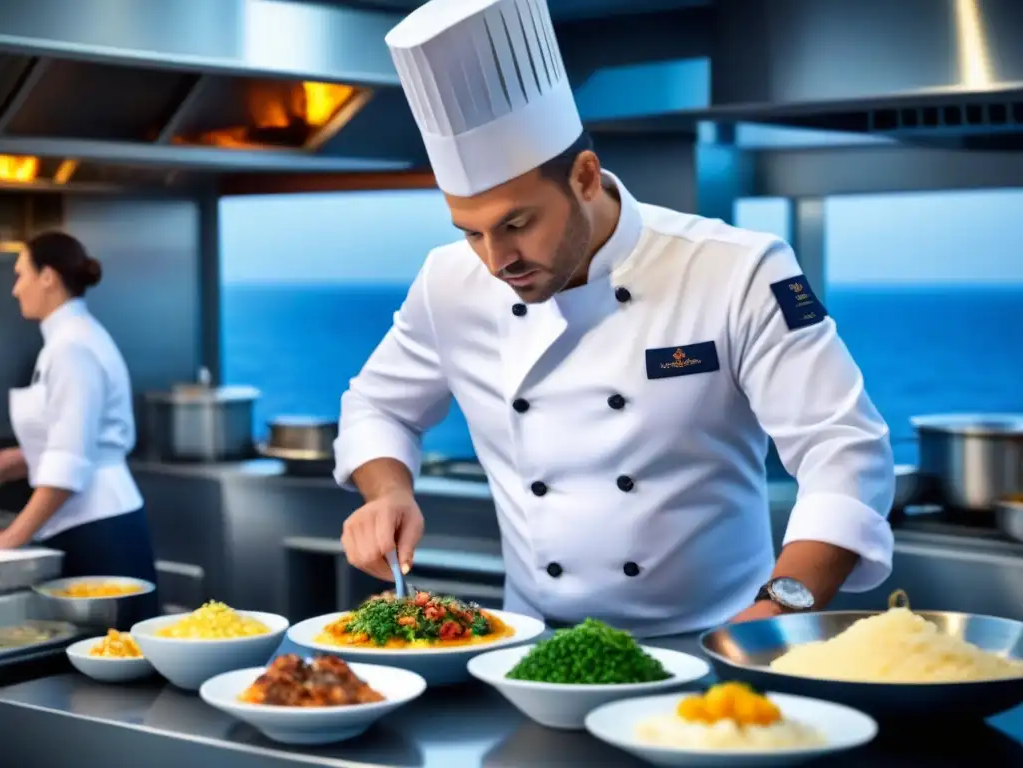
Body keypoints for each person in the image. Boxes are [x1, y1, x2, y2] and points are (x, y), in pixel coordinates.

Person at [334, 0, 895, 637]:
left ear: (583, 176)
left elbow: (843, 448)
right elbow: (378, 407)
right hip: (532, 651)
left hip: (720, 640)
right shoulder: (448, 282)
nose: (497, 260)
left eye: (517, 224)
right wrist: (388, 493)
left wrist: (781, 608)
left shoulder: (738, 270)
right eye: (472, 233)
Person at [0, 231, 158, 623]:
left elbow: (69, 464)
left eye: (22, 275)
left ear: (48, 277)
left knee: (114, 660)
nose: (16, 289)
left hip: (99, 530)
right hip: (88, 524)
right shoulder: (67, 341)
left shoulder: (71, 347)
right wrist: (8, 465)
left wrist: (9, 540)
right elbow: (65, 443)